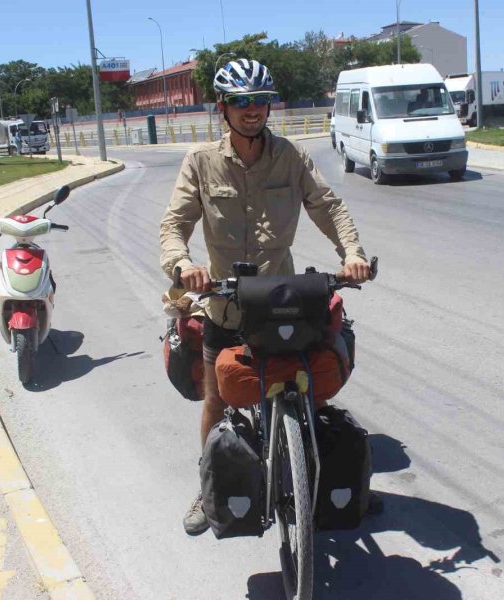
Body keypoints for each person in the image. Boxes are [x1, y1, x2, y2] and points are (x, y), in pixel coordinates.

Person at [159, 59, 372, 535]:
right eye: (241, 101)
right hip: (224, 303)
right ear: (223, 108)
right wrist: (183, 266)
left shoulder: (291, 156)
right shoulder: (200, 161)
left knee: (308, 389)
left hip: (282, 298)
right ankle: (209, 484)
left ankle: (324, 472)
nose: (252, 110)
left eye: (260, 100)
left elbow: (328, 207)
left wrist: (352, 253)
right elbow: (174, 225)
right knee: (215, 399)